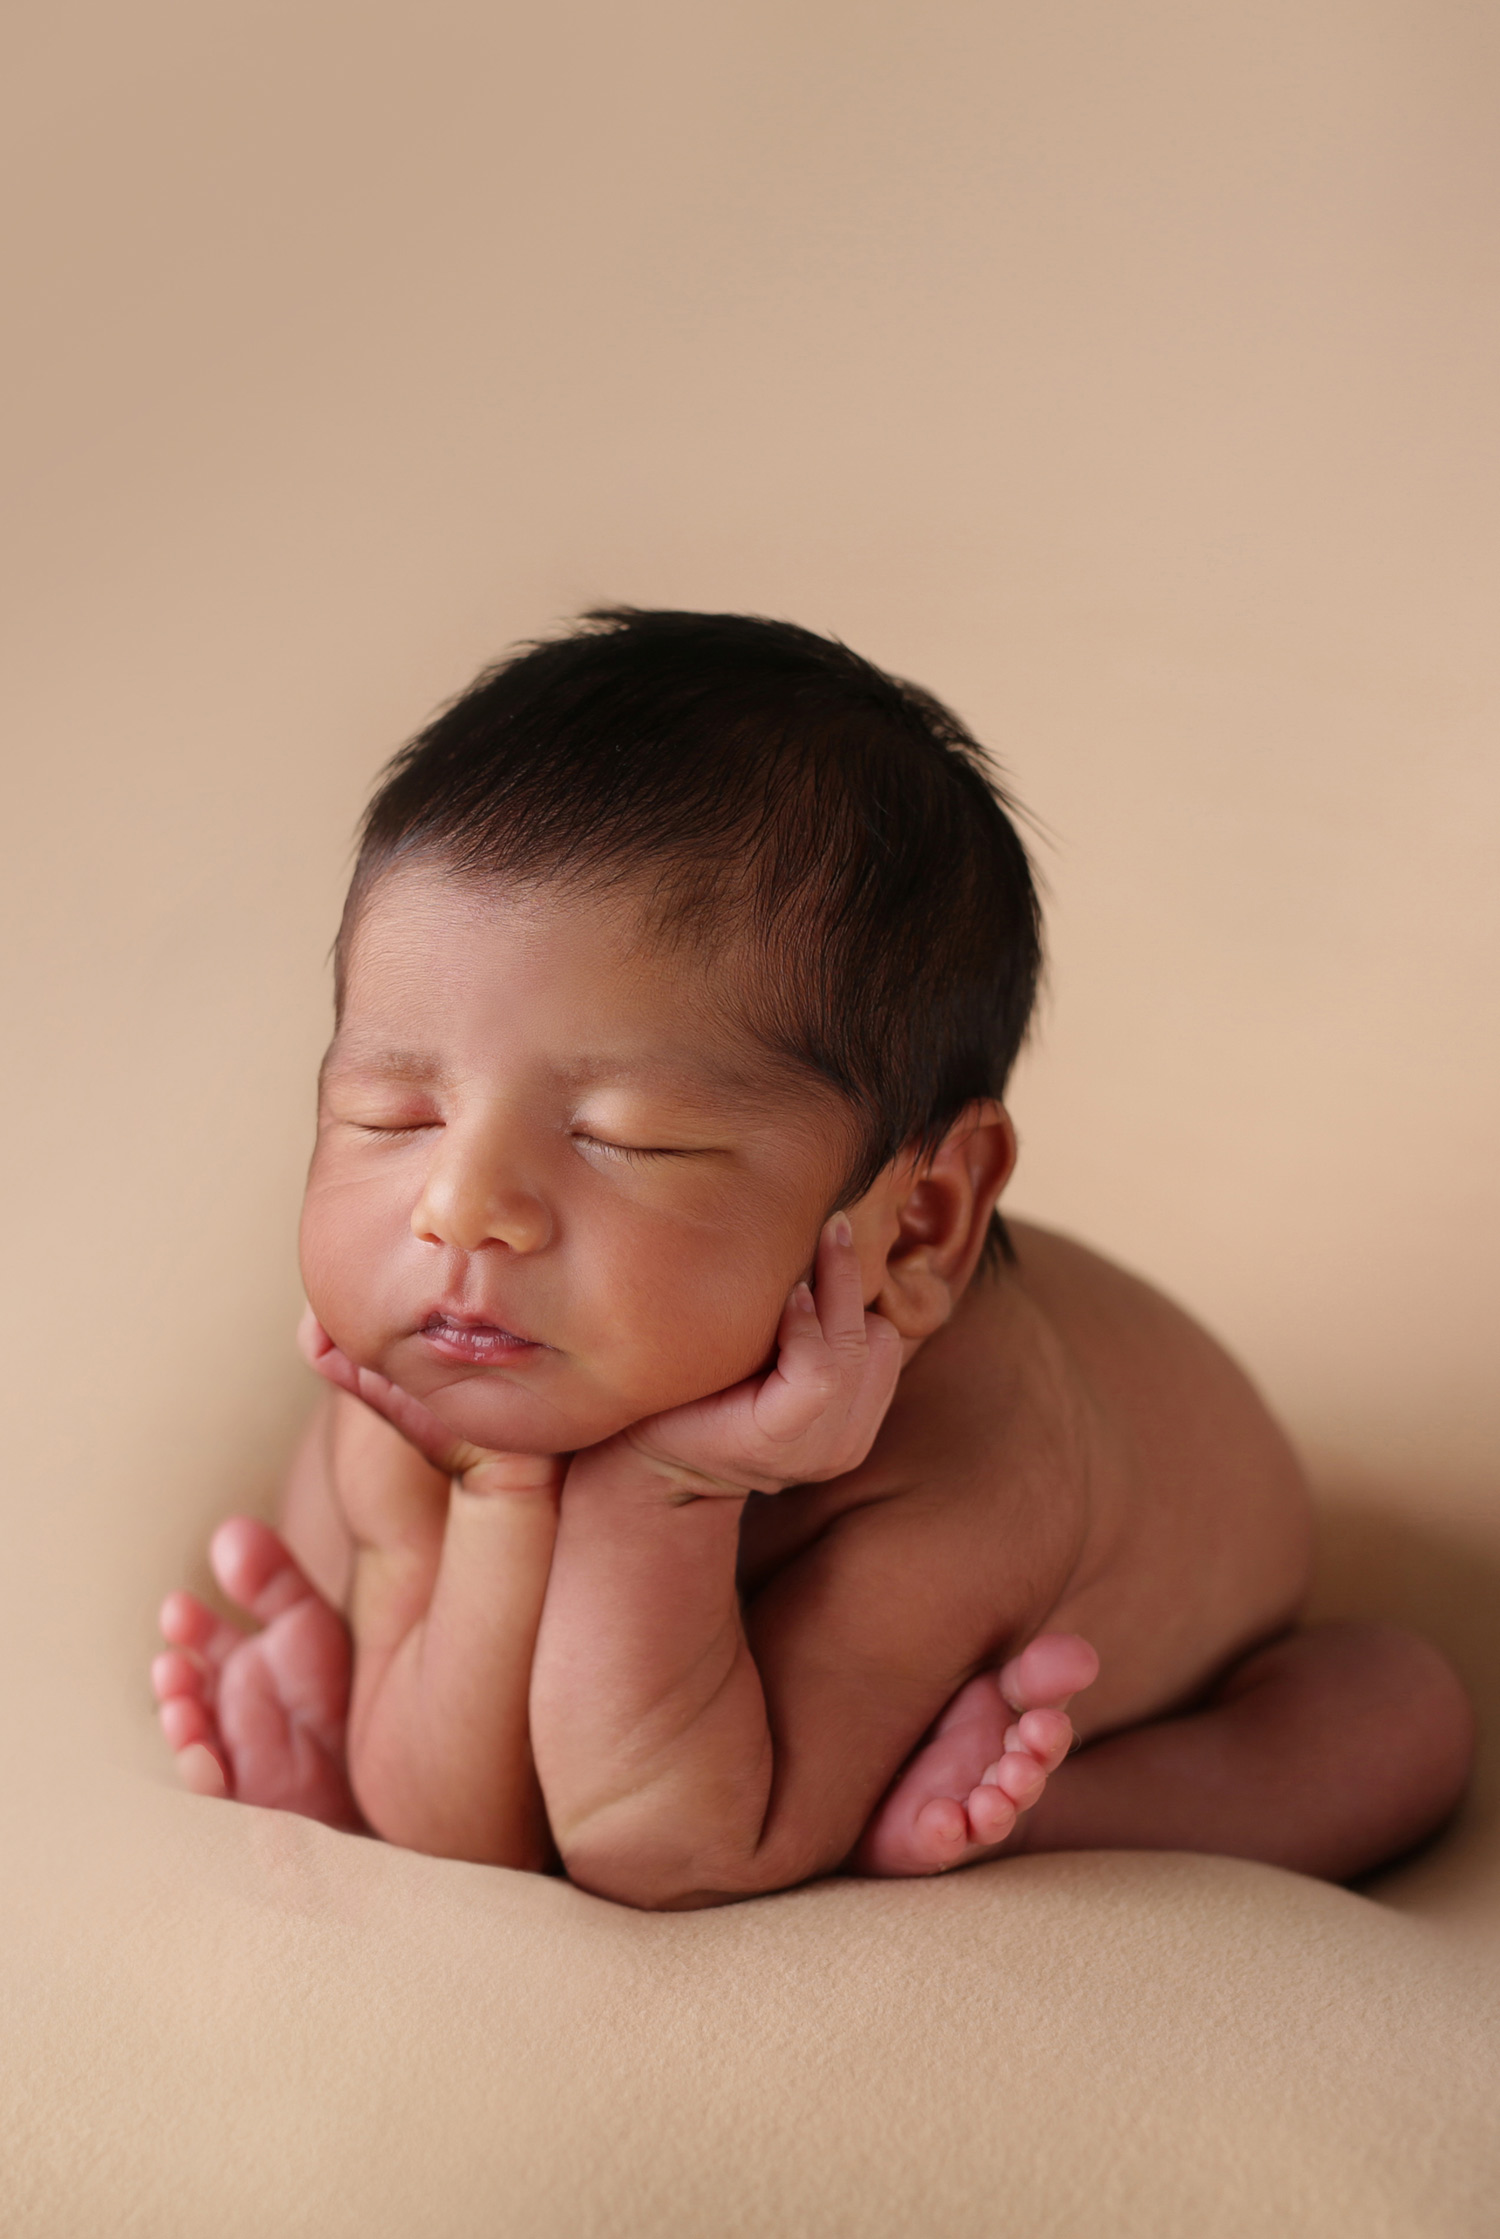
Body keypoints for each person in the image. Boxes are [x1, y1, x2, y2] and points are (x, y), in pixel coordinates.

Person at [152, 609, 1474, 1908]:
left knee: (1398, 1724)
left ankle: (1048, 1821)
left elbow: (665, 1846)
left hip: (1186, 1669)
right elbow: (464, 1844)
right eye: (394, 1115)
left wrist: (663, 1492)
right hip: (614, 1618)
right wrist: (484, 1518)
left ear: (917, 1223)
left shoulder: (958, 1479)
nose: (459, 1206)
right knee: (349, 1548)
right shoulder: (437, 1353)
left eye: (626, 1141)